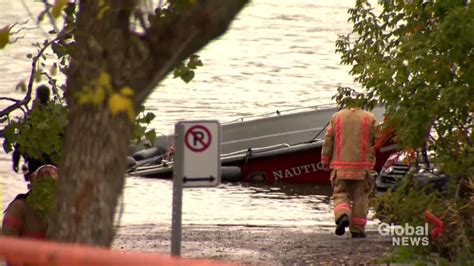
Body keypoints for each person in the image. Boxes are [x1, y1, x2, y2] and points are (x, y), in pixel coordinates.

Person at [321, 107, 379, 238]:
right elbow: (379, 139)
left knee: (340, 194)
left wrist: (325, 161)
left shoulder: (337, 117)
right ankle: (357, 229)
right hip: (363, 168)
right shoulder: (370, 118)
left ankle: (342, 216)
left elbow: (328, 140)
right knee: (360, 197)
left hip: (340, 167)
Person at [2, 164, 58, 239]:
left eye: (54, 176)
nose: (47, 185)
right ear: (32, 180)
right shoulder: (20, 207)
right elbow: (7, 241)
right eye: (42, 176)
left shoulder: (68, 207)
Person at [12, 85, 55, 181]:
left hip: (34, 164)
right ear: (48, 97)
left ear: (37, 97)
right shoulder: (56, 115)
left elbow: (20, 142)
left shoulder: (30, 117)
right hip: (55, 163)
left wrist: (15, 161)